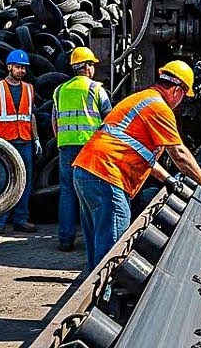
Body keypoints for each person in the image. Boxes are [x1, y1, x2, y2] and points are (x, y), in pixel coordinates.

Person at [71, 60, 201, 272]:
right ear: (176, 90)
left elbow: (141, 153)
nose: (180, 102)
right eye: (183, 96)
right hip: (107, 176)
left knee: (97, 239)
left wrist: (168, 179)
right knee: (113, 248)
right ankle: (105, 295)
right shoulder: (159, 108)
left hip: (86, 170)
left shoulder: (142, 99)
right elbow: (179, 154)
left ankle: (93, 288)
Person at [50, 46, 112, 251]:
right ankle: (93, 239)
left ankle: (65, 239)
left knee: (67, 192)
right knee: (92, 192)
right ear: (86, 67)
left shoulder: (59, 90)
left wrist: (61, 140)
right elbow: (110, 121)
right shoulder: (95, 89)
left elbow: (55, 121)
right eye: (92, 64)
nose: (93, 68)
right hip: (90, 147)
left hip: (66, 146)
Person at [0, 49, 40, 233]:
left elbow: (31, 115)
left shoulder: (29, 88)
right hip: (2, 143)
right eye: (17, 67)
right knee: (0, 182)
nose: (21, 71)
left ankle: (20, 219)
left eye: (23, 68)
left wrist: (36, 138)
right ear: (9, 67)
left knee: (24, 181)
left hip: (24, 141)